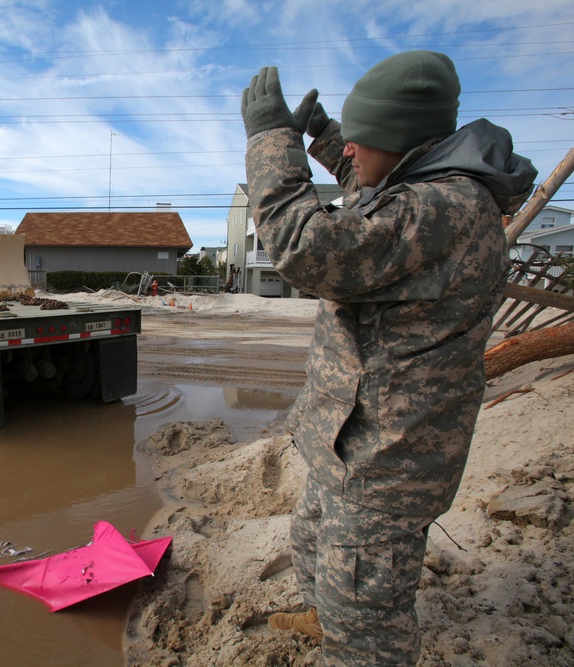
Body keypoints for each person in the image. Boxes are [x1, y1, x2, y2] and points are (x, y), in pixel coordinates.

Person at [240, 51, 537, 665]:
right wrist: (327, 139)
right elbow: (373, 191)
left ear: (404, 144)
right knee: (313, 539)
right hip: (353, 441)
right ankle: (327, 619)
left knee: (365, 614)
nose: (351, 151)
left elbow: (306, 248)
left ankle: (349, 639)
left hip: (389, 458)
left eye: (361, 139)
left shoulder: (445, 208)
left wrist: (274, 144)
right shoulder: (423, 191)